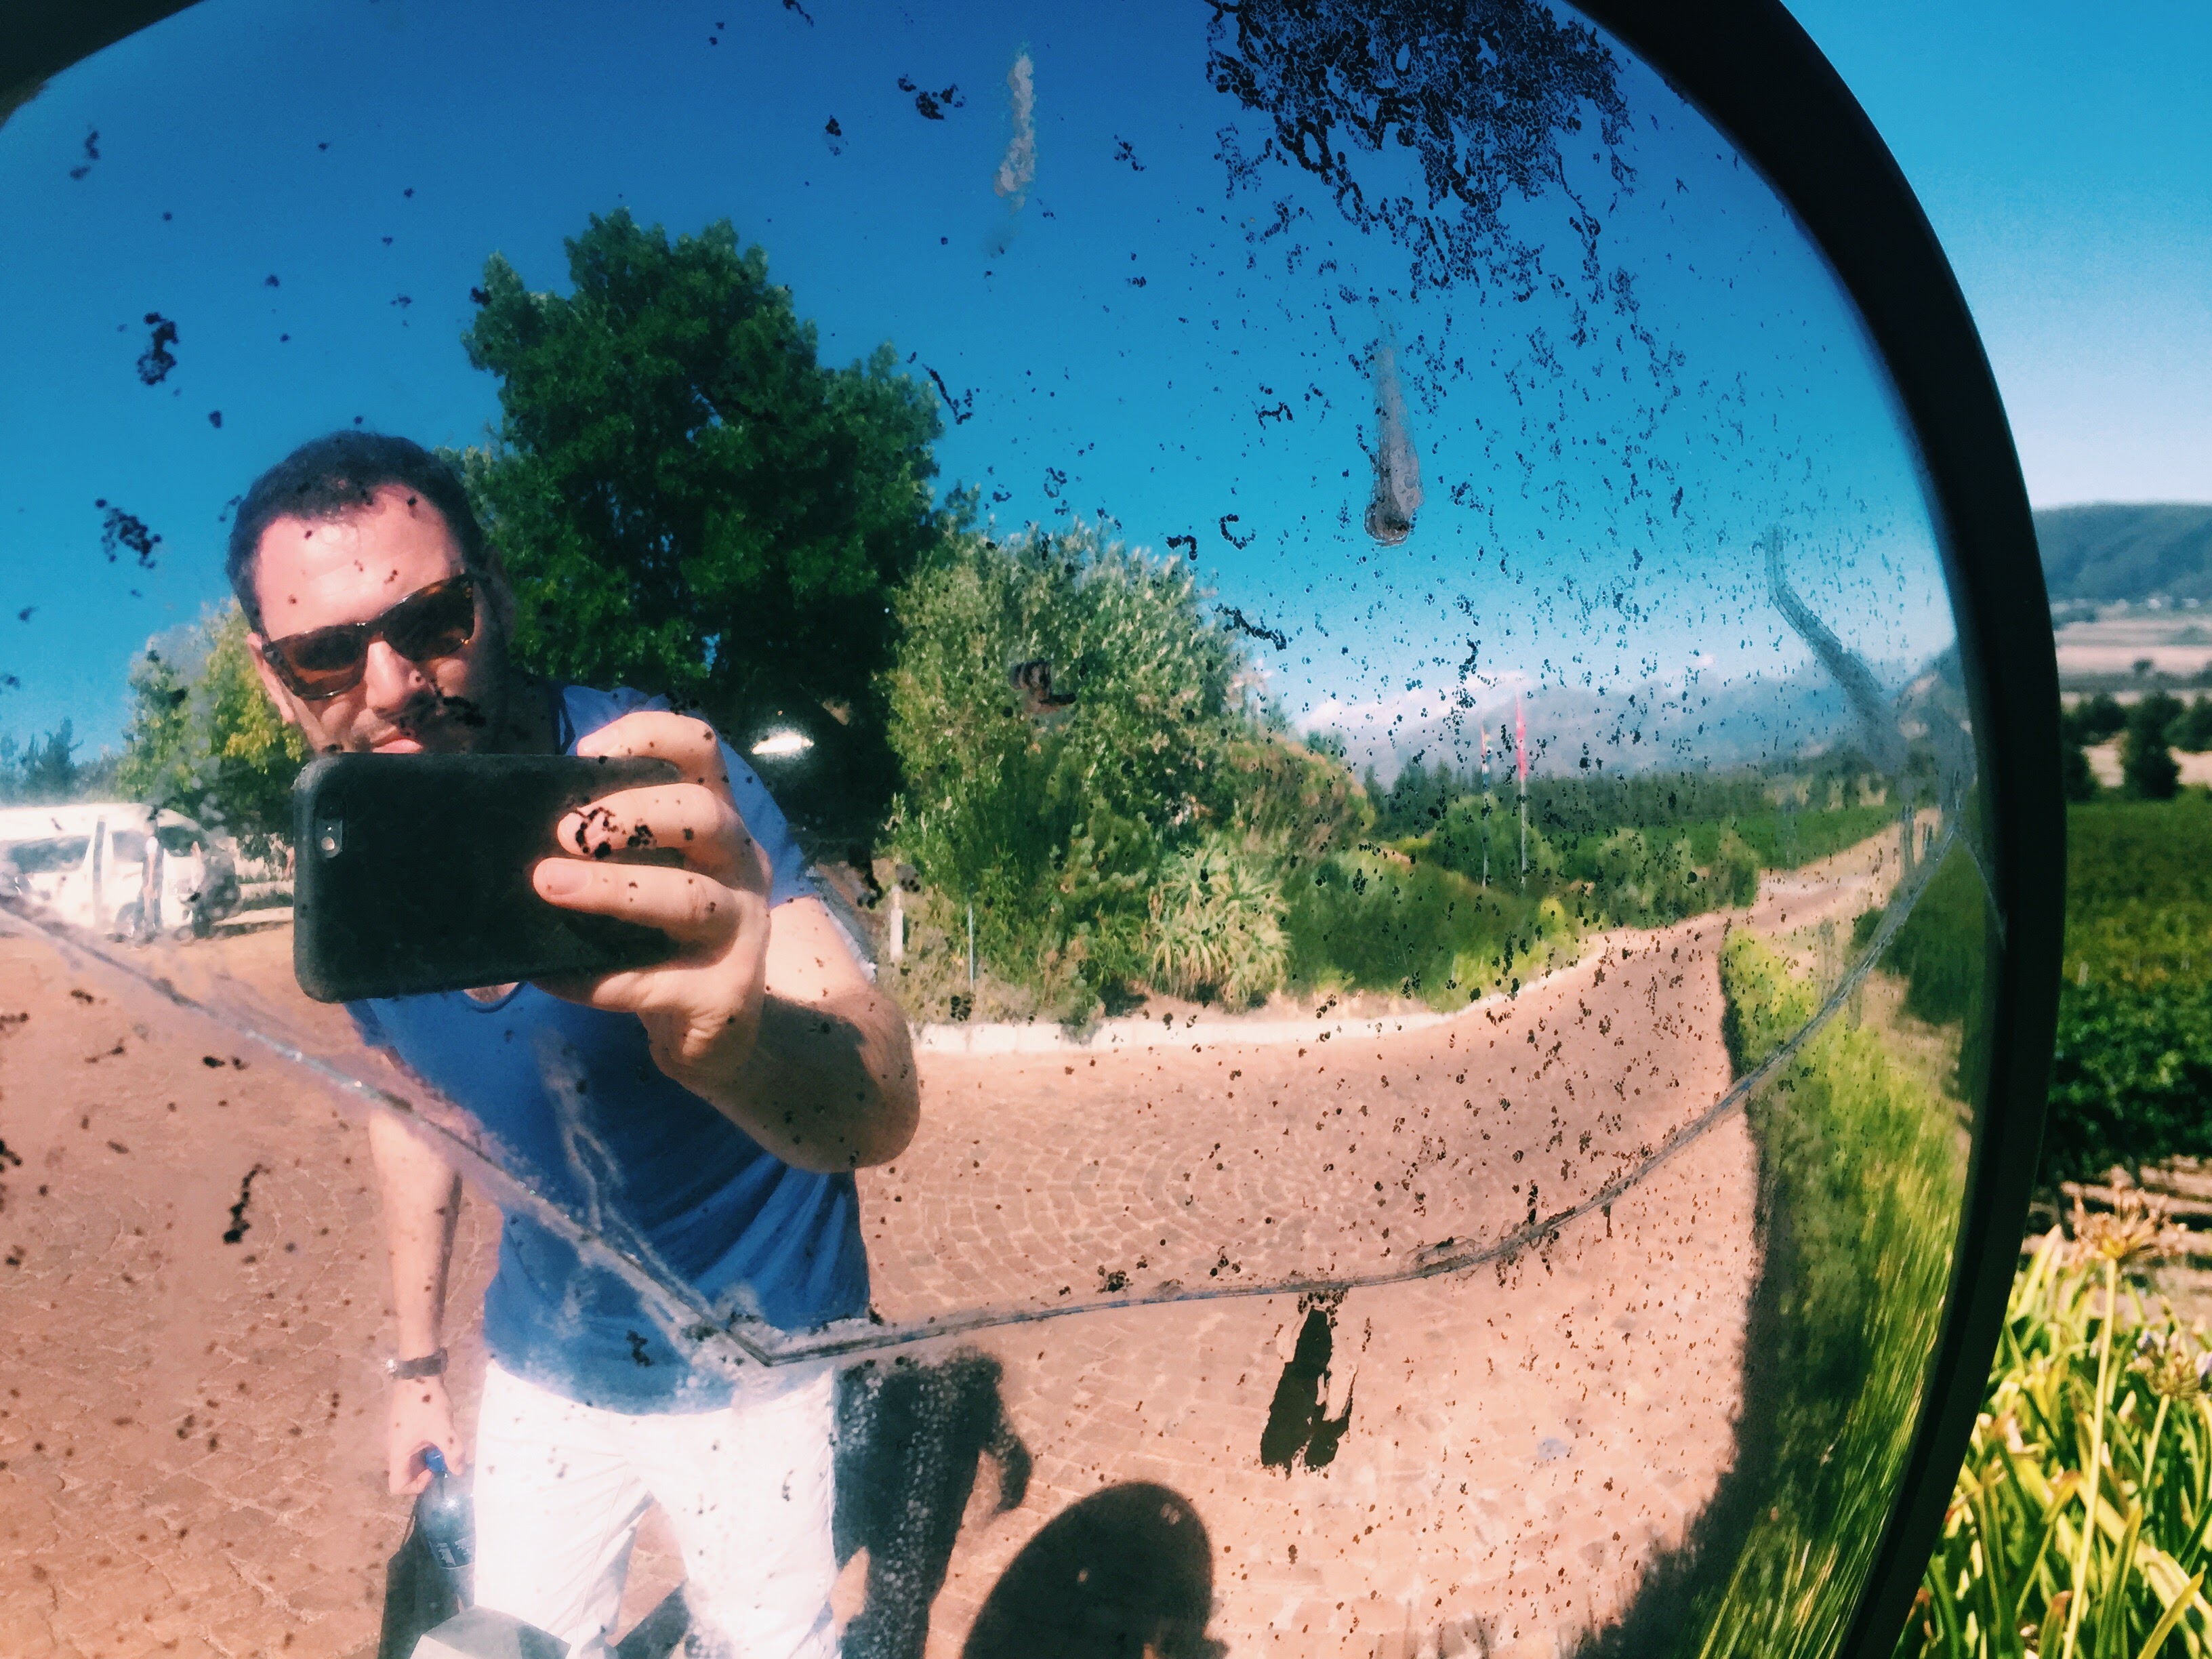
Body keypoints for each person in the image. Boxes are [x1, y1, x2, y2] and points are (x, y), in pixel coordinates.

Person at [228, 430, 919, 1659]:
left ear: (493, 595)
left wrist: (737, 1048)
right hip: (545, 1356)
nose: (391, 684)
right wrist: (416, 1366)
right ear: (275, 675)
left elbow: (880, 1104)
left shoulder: (659, 781)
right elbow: (417, 1111)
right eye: (329, 654)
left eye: (432, 620)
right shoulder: (365, 871)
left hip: (763, 1353)